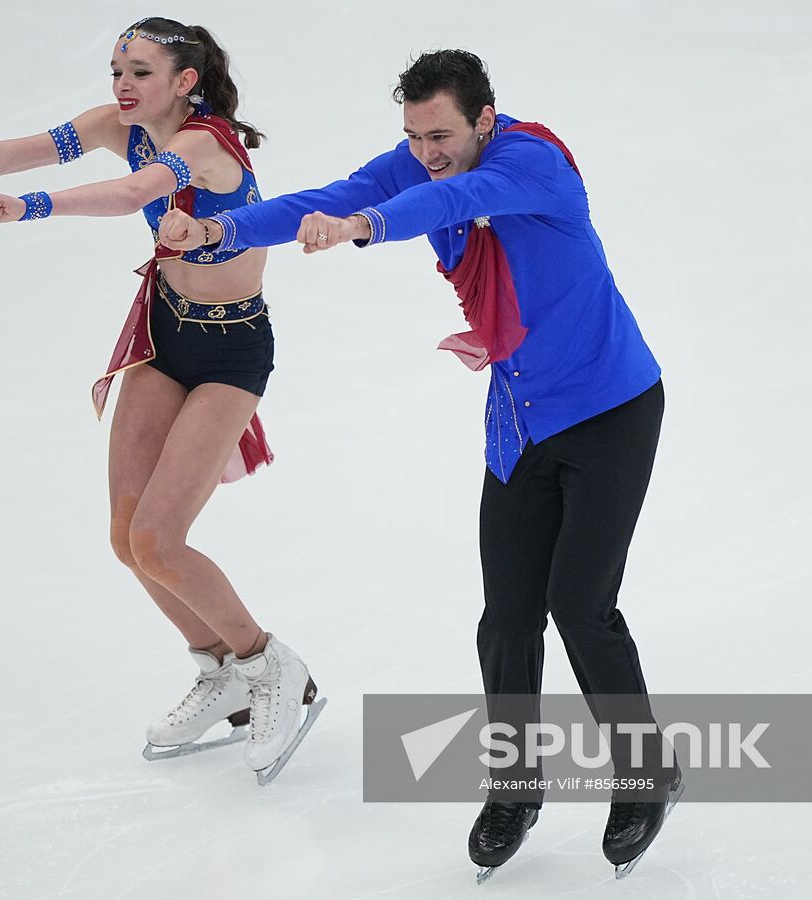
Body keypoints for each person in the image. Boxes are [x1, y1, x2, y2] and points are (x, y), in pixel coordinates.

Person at [159, 50, 680, 874]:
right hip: (521, 420)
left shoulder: (533, 162)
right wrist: (221, 230)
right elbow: (331, 198)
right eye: (413, 135)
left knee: (579, 602)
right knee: (508, 615)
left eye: (441, 132)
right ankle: (516, 786)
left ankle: (646, 772)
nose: (426, 150)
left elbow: (451, 199)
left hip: (611, 411)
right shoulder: (420, 159)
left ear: (483, 120)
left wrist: (369, 226)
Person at [0, 16, 323, 784]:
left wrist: (31, 208)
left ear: (185, 82)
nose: (122, 84)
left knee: (163, 540)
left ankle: (273, 668)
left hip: (231, 352)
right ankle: (220, 671)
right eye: (117, 68)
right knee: (128, 538)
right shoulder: (119, 127)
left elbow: (135, 193)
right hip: (163, 334)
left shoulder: (200, 144)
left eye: (141, 72)